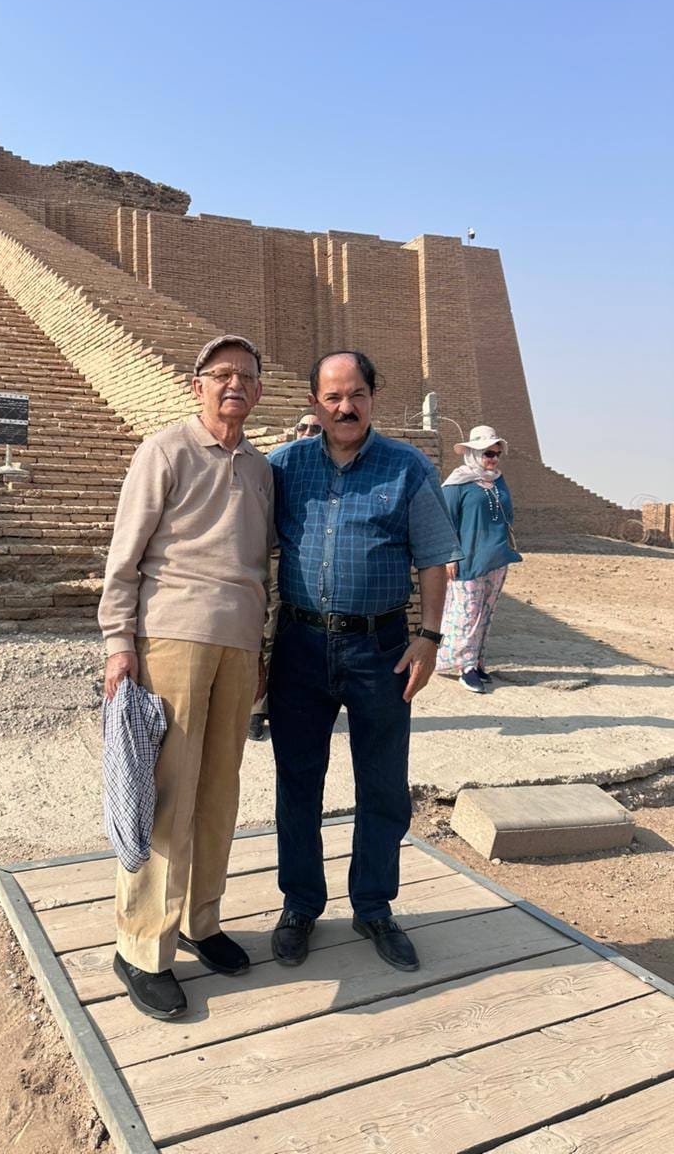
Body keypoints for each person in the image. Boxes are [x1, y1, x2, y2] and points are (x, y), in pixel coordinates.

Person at [266, 350, 461, 973]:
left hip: (381, 650)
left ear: (373, 397)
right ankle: (300, 904)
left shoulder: (407, 467)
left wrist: (429, 638)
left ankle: (373, 906)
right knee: (298, 781)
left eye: (357, 395)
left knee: (382, 783)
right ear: (314, 403)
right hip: (300, 645)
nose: (345, 408)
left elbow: (433, 557)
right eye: (333, 397)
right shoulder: (284, 466)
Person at [98, 334, 273, 1020]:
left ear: (258, 392)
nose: (235, 385)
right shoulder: (165, 450)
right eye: (221, 374)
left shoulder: (260, 468)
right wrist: (119, 642)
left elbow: (260, 565)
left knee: (219, 791)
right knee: (168, 793)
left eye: (246, 377)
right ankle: (142, 946)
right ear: (196, 386)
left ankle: (202, 920)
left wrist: (259, 647)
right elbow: (126, 554)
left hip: (238, 643)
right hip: (172, 634)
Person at [246, 412, 322, 742]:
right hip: (277, 555)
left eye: (315, 428)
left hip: (313, 562)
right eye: (302, 427)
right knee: (269, 625)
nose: (308, 432)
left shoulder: (331, 468)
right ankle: (256, 707)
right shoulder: (280, 464)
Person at [436, 425, 522, 692]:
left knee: (486, 613)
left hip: (496, 557)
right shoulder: (457, 484)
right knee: (467, 614)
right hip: (467, 560)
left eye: (497, 454)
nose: (493, 459)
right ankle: (464, 666)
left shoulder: (497, 481)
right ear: (473, 453)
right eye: (488, 453)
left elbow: (507, 516)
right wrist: (449, 557)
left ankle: (476, 661)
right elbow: (444, 522)